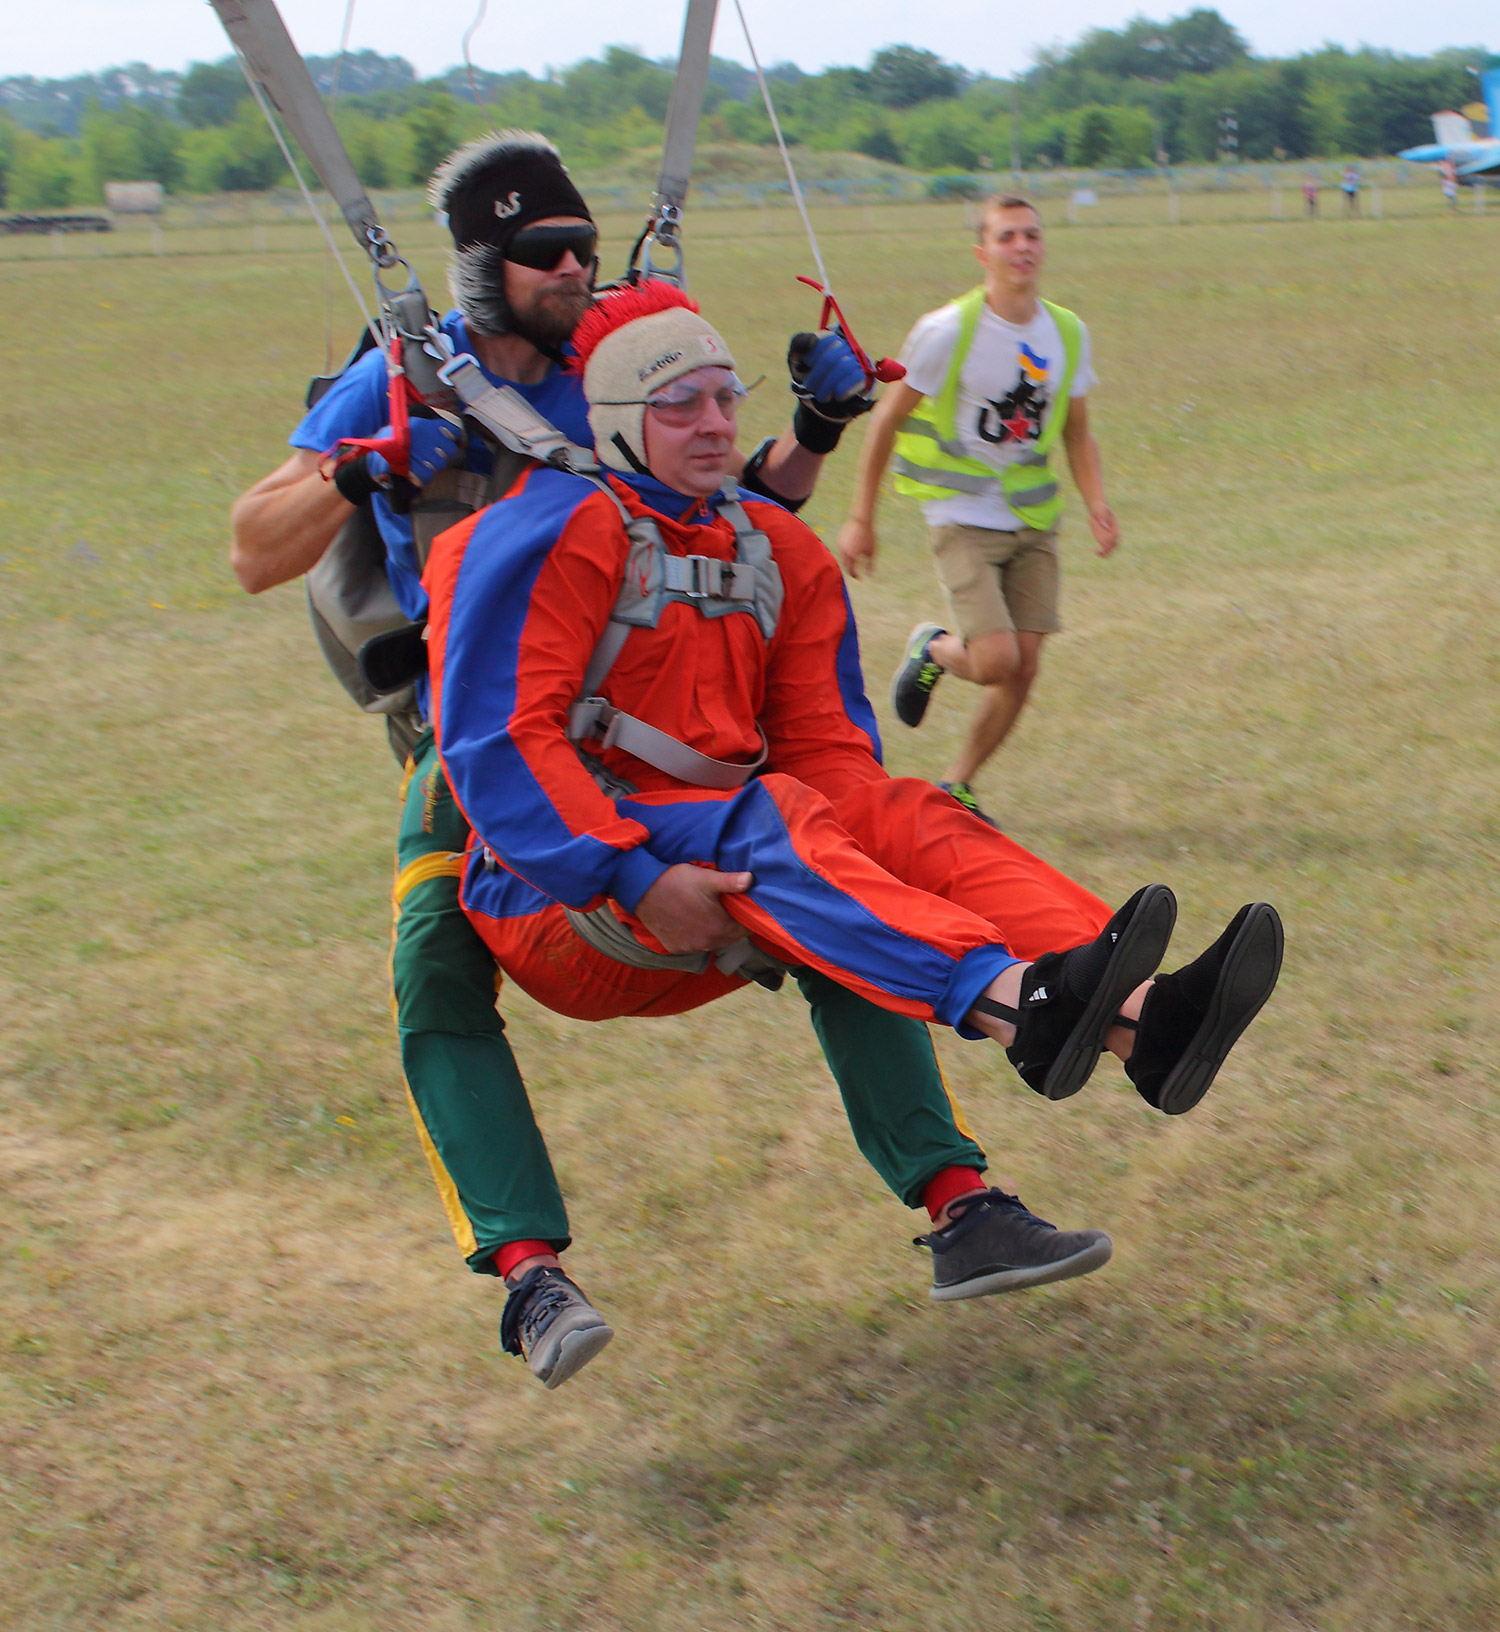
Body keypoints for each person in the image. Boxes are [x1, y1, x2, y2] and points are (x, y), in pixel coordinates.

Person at [227, 134, 1033, 1387]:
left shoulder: (617, 362)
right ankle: (528, 1275)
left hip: (654, 720)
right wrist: (357, 470)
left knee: (822, 874)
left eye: (583, 249)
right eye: (543, 254)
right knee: (434, 961)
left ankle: (961, 1204)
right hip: (485, 740)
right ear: (481, 266)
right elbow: (253, 549)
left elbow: (731, 515)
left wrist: (816, 428)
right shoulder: (400, 376)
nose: (573, 269)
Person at [425, 282, 1285, 1388]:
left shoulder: (775, 548)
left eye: (725, 398)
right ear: (621, 422)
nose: (715, 424)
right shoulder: (553, 530)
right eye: (680, 404)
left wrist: (851, 834)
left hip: (718, 869)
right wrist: (627, 874)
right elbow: (502, 740)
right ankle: (1016, 1006)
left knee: (897, 811)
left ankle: (1137, 1013)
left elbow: (829, 755)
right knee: (776, 821)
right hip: (561, 901)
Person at [835, 194, 1119, 825]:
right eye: (1007, 236)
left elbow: (1076, 431)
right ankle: (934, 649)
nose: (1022, 247)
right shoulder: (947, 330)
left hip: (1034, 517)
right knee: (995, 662)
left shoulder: (1066, 333)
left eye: (1032, 235)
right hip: (961, 515)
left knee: (1025, 666)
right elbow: (887, 420)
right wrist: (861, 517)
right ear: (982, 252)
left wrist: (1098, 504)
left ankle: (956, 784)